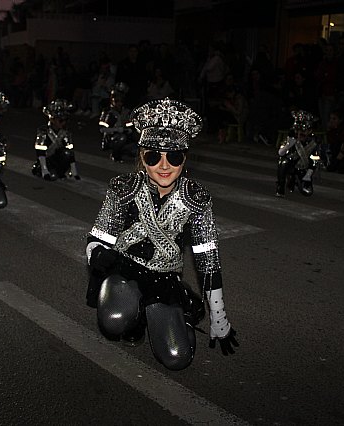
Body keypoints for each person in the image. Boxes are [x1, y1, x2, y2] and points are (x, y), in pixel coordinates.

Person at [86, 98, 239, 371]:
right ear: (142, 157)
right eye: (154, 156)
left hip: (164, 280)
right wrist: (97, 251)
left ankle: (171, 316)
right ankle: (133, 318)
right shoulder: (124, 188)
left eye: (174, 156)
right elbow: (101, 233)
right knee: (114, 318)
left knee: (176, 357)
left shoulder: (196, 199)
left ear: (185, 158)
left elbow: (208, 263)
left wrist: (219, 318)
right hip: (125, 272)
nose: (164, 165)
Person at [31, 99, 81, 181]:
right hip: (47, 160)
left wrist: (73, 170)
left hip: (57, 159)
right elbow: (40, 152)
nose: (63, 123)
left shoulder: (65, 132)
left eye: (65, 120)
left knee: (66, 153)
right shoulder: (43, 131)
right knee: (52, 176)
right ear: (52, 120)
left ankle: (61, 172)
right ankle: (45, 170)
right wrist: (44, 170)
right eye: (60, 120)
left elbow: (70, 151)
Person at [276, 110, 320, 197]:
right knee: (283, 162)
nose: (301, 133)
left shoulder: (313, 142)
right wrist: (288, 146)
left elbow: (316, 157)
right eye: (298, 130)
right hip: (292, 164)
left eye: (304, 131)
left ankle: (305, 180)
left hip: (305, 167)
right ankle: (280, 186)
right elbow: (280, 153)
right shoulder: (292, 139)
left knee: (307, 191)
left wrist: (309, 173)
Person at [98, 83, 138, 163]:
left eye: (121, 101)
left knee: (135, 149)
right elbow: (102, 129)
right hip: (111, 137)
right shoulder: (107, 112)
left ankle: (123, 151)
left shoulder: (126, 111)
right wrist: (117, 129)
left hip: (126, 136)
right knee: (121, 138)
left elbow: (130, 123)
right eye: (117, 101)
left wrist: (129, 129)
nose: (119, 103)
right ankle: (115, 155)